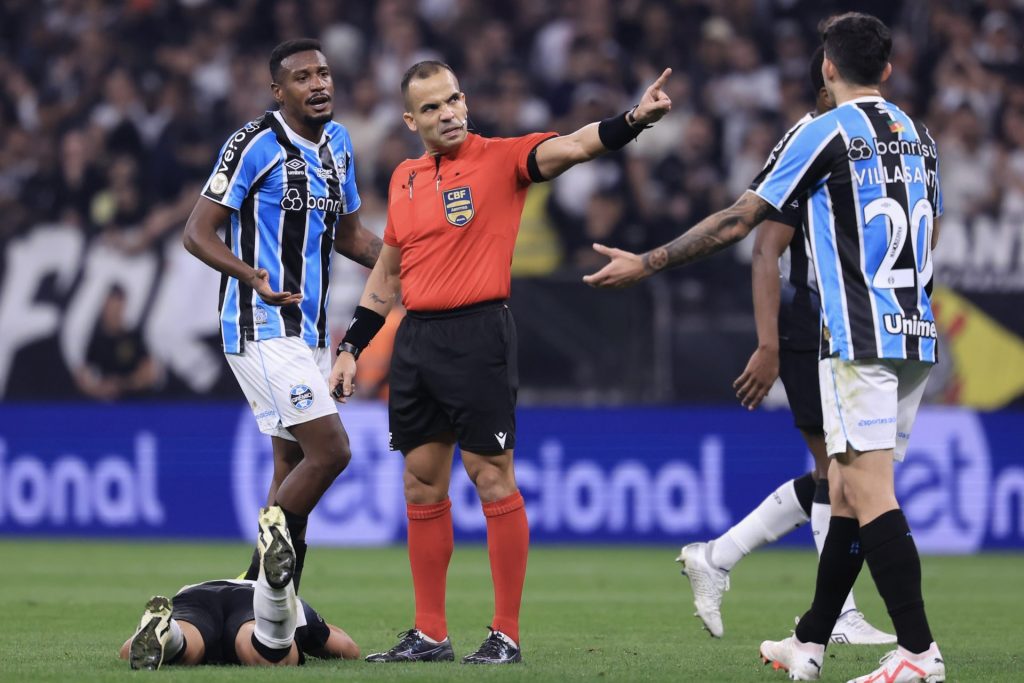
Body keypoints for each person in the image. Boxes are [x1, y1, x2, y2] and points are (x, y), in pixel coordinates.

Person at [584, 13, 945, 683]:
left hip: (857, 336)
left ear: (828, 68)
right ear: (888, 71)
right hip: (915, 332)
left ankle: (920, 655)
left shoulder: (822, 130)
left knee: (869, 492)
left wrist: (648, 261)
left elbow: (739, 221)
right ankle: (809, 640)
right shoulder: (919, 136)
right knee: (842, 489)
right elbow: (935, 231)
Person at [328, 60, 672, 664]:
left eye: (453, 99)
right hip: (417, 341)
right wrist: (352, 347)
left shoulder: (501, 158)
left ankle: (506, 634)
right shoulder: (405, 178)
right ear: (410, 121)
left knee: (491, 476)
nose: (448, 113)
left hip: (479, 334)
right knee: (420, 482)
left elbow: (574, 146)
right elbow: (387, 274)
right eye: (431, 107)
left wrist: (633, 121)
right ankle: (430, 634)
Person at [676, 46, 894, 647]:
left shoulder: (850, 152)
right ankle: (837, 614)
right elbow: (765, 249)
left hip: (843, 328)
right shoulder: (809, 150)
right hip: (809, 329)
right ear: (826, 89)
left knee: (835, 473)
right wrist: (769, 344)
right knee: (838, 475)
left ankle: (718, 556)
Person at [182, 38, 382, 591]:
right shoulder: (253, 143)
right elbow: (197, 233)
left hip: (311, 332)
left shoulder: (339, 144)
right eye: (302, 77)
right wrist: (251, 275)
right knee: (332, 451)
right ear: (278, 91)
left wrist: (414, 263)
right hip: (260, 325)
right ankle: (257, 581)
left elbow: (351, 237)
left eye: (324, 73)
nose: (318, 84)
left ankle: (264, 601)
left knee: (292, 467)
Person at [121, 506, 359, 669]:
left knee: (186, 644)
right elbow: (347, 648)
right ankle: (275, 599)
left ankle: (170, 633)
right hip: (254, 600)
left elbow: (125, 652)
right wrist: (317, 635)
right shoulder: (299, 610)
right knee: (268, 654)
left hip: (195, 594)